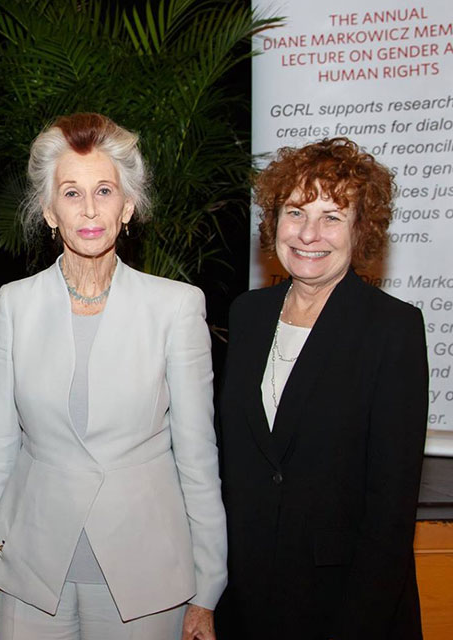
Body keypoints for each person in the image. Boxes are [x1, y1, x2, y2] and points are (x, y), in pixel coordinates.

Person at [0, 112, 227, 639]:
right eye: (71, 193)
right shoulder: (15, 304)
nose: (89, 209)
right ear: (48, 211)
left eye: (104, 190)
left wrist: (207, 588)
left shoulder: (176, 307)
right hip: (29, 567)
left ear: (127, 206)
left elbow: (198, 457)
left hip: (145, 573)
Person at [215, 137, 428, 639]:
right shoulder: (247, 315)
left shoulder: (391, 329)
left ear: (361, 231)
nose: (309, 233)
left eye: (332, 216)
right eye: (295, 212)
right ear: (274, 222)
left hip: (345, 604)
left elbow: (391, 510)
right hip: (246, 595)